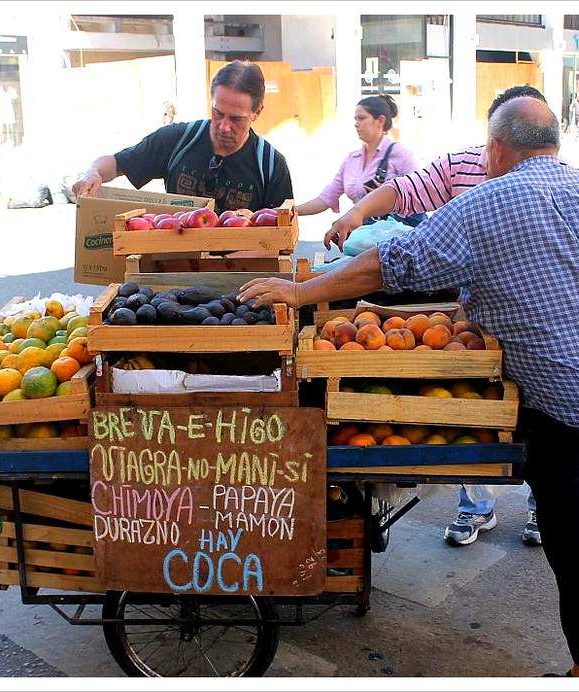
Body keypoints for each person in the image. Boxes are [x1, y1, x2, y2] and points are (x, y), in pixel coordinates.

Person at [239, 96, 579, 678]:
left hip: (572, 394)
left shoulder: (486, 203)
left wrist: (297, 294)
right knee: (575, 503)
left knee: (577, 536)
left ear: (494, 148)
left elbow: (389, 264)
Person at [324, 84, 551, 548]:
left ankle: (540, 508)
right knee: (465, 405)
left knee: (532, 416)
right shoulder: (463, 166)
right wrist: (356, 214)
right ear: (494, 136)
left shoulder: (551, 181)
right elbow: (403, 192)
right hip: (470, 316)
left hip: (530, 318)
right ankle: (476, 507)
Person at [72, 60, 293, 214]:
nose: (224, 126)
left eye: (236, 119)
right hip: (174, 269)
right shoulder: (178, 140)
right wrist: (93, 173)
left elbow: (280, 238)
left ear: (257, 113)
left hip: (241, 276)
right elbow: (117, 163)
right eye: (217, 113)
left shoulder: (271, 165)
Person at [294, 94, 422, 225]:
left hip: (395, 236)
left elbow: (421, 192)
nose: (356, 124)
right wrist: (291, 212)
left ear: (380, 121)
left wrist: (389, 197)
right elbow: (326, 198)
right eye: (355, 119)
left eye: (362, 118)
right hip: (366, 235)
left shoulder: (399, 153)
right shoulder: (352, 159)